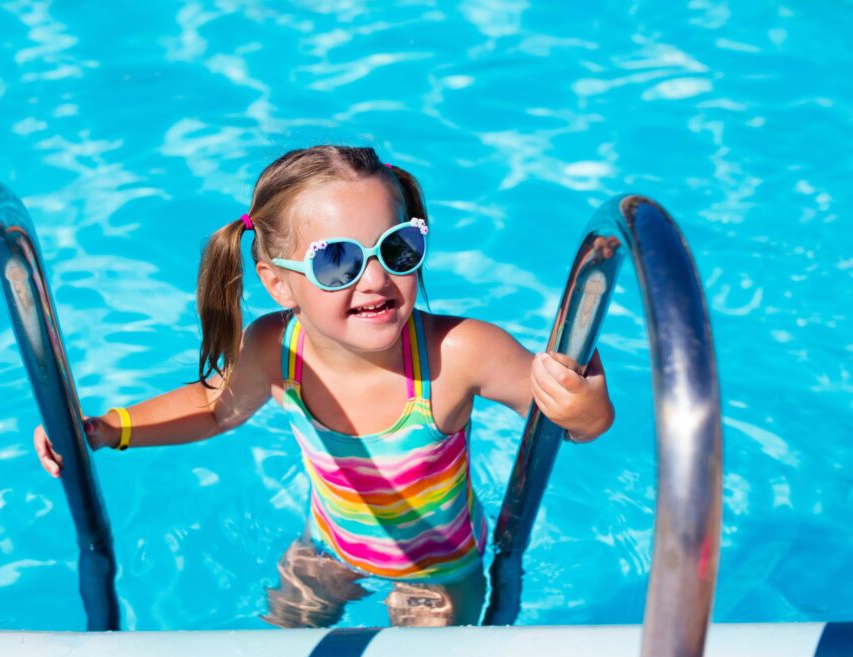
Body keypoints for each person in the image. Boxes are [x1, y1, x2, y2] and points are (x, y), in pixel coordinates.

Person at [33, 145, 614, 628]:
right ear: (280, 285)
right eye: (338, 262)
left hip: (437, 570)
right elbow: (215, 410)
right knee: (281, 649)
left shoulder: (457, 353)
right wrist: (109, 428)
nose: (378, 279)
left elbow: (564, 422)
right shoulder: (275, 349)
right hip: (327, 549)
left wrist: (586, 408)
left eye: (399, 248)